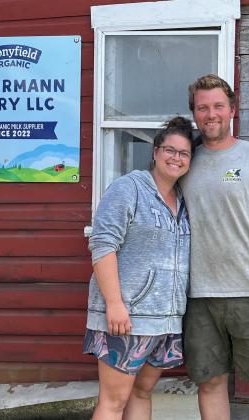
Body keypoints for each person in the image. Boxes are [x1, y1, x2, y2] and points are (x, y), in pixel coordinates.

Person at [181, 74, 249, 420]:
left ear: (232, 109)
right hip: (198, 296)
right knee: (210, 383)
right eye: (202, 108)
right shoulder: (183, 162)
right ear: (194, 114)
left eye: (217, 106)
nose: (210, 114)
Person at [83, 116, 195, 420]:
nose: (176, 158)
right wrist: (115, 304)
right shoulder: (128, 188)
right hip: (127, 318)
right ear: (156, 152)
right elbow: (103, 245)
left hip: (165, 321)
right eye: (170, 150)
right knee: (112, 403)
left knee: (142, 394)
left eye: (183, 153)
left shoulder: (183, 201)